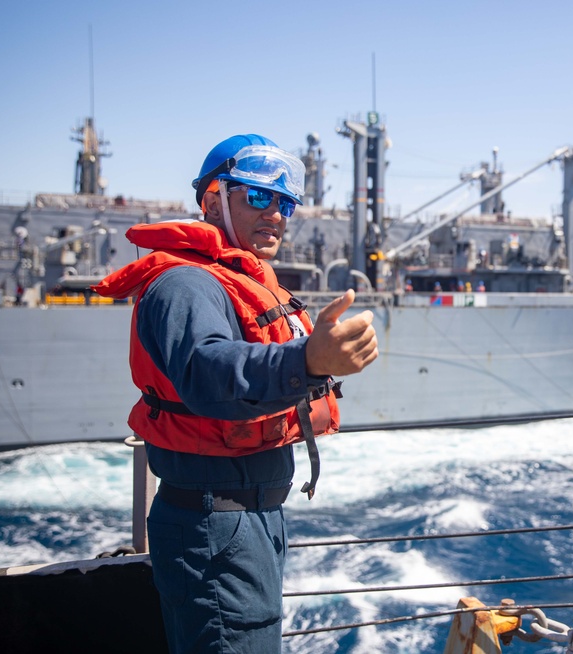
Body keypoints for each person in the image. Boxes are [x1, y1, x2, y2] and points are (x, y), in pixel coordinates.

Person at [93, 134, 378, 653]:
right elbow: (206, 372)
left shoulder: (228, 277)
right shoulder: (184, 284)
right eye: (258, 197)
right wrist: (307, 360)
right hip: (215, 526)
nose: (276, 215)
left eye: (285, 203)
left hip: (246, 519)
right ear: (212, 200)